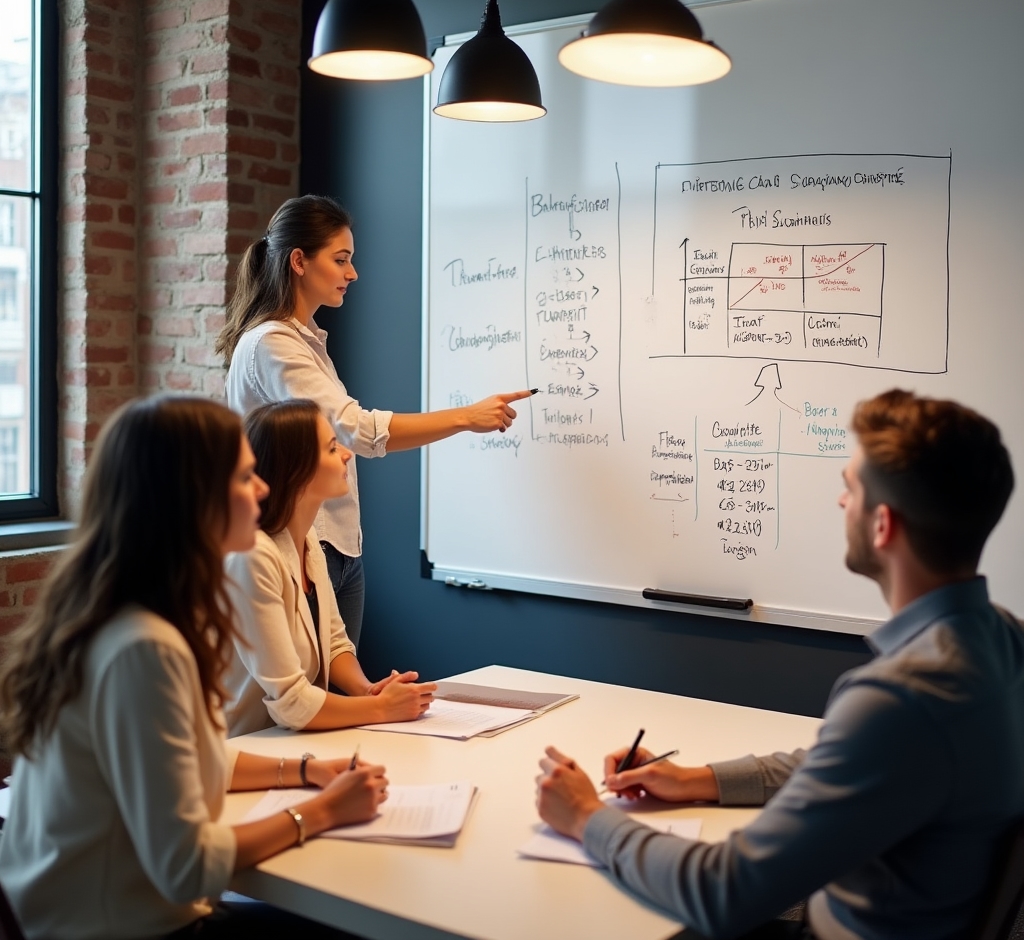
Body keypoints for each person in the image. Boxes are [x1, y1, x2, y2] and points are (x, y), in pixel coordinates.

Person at [535, 389, 1024, 940]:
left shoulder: (899, 699)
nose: (842, 503)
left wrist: (586, 818)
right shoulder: (1001, 637)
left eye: (851, 488)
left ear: (883, 525)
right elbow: (850, 764)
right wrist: (697, 780)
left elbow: (724, 893)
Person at [0, 397, 390, 940]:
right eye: (244, 477)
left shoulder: (141, 616)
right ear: (191, 498)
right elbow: (186, 867)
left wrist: (306, 771)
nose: (260, 490)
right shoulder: (145, 648)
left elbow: (199, 754)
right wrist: (322, 812)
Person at [217, 194, 532, 647]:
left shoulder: (305, 342)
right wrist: (465, 417)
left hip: (337, 548)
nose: (352, 273)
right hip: (301, 545)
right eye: (341, 259)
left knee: (340, 692)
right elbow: (355, 430)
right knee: (304, 704)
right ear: (299, 261)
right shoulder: (272, 343)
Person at [223, 399, 436, 736]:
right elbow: (292, 701)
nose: (347, 455)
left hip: (290, 742)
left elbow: (335, 644)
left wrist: (368, 691)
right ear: (296, 469)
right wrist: (381, 708)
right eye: (333, 447)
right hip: (246, 749)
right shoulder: (252, 557)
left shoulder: (308, 538)